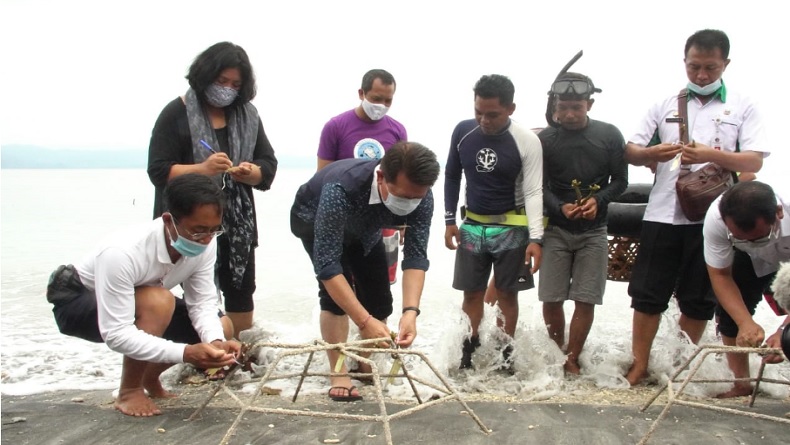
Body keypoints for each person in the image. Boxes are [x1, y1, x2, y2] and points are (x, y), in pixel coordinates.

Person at [623, 29, 768, 386]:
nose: (702, 75)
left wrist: (709, 155)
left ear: (725, 64)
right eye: (694, 67)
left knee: (698, 298)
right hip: (661, 212)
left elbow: (754, 160)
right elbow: (631, 149)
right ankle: (640, 365)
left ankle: (676, 367)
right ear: (684, 62)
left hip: (714, 217)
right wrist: (650, 154)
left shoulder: (743, 104)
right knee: (646, 294)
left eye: (710, 68)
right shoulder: (664, 103)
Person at [46, 174, 242, 417]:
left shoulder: (206, 241)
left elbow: (202, 302)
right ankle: (129, 390)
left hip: (142, 302)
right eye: (198, 231)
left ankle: (149, 378)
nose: (205, 239)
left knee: (222, 326)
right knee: (158, 301)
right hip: (79, 302)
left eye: (214, 230)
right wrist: (186, 353)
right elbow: (116, 334)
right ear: (168, 220)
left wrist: (215, 342)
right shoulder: (121, 252)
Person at [290, 141, 440, 401]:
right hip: (313, 221)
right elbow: (328, 266)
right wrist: (363, 321)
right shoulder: (341, 187)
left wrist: (411, 312)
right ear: (381, 177)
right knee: (336, 296)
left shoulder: (421, 195)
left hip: (366, 230)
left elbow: (416, 257)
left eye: (417, 198)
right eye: (404, 197)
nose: (410, 203)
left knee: (379, 300)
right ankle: (338, 371)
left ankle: (363, 363)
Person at [147, 42, 278, 339]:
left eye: (235, 84)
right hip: (186, 220)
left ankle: (238, 350)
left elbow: (267, 168)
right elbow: (158, 171)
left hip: (236, 222)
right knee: (183, 285)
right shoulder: (176, 113)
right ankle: (190, 349)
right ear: (205, 76)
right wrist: (202, 169)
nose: (228, 89)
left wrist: (249, 172)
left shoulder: (248, 116)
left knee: (241, 286)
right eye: (222, 82)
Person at [444, 74, 543, 372]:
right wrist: (449, 220)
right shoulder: (463, 131)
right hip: (472, 226)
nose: (484, 120)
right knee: (471, 293)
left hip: (511, 229)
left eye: (492, 114)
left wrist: (536, 239)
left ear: (510, 108)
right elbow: (451, 174)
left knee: (505, 293)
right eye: (478, 112)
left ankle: (504, 354)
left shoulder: (526, 141)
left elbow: (534, 190)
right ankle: (468, 351)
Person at [539, 72, 628, 375]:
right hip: (556, 230)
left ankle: (572, 357)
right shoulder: (546, 139)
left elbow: (621, 182)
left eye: (577, 107)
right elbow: (538, 186)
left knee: (585, 299)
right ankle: (555, 353)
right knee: (551, 297)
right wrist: (560, 207)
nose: (569, 114)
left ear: (589, 103)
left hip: (595, 230)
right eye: (563, 107)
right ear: (554, 105)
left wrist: (597, 201)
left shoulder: (609, 135)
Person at [316, 68, 407, 285]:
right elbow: (322, 177)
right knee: (342, 286)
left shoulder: (397, 131)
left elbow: (402, 180)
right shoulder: (335, 126)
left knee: (381, 287)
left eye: (388, 100)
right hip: (342, 220)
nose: (381, 105)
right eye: (376, 98)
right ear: (361, 93)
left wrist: (401, 222)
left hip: (382, 219)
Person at [703, 181, 790, 397]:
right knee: (731, 315)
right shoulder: (716, 218)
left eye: (758, 237)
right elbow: (720, 275)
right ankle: (741, 383)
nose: (752, 241)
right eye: (742, 237)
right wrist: (745, 323)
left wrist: (782, 332)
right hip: (748, 259)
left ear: (778, 213)